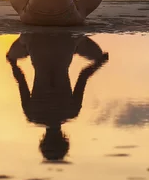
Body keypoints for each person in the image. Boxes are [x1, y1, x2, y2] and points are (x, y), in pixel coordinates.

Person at [6, 33, 108, 161]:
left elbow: (84, 75)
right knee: (14, 53)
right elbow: (21, 79)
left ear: (65, 141)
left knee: (96, 54)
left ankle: (74, 42)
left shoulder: (72, 112)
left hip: (66, 44)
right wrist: (11, 62)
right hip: (36, 44)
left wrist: (100, 62)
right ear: (43, 141)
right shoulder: (32, 115)